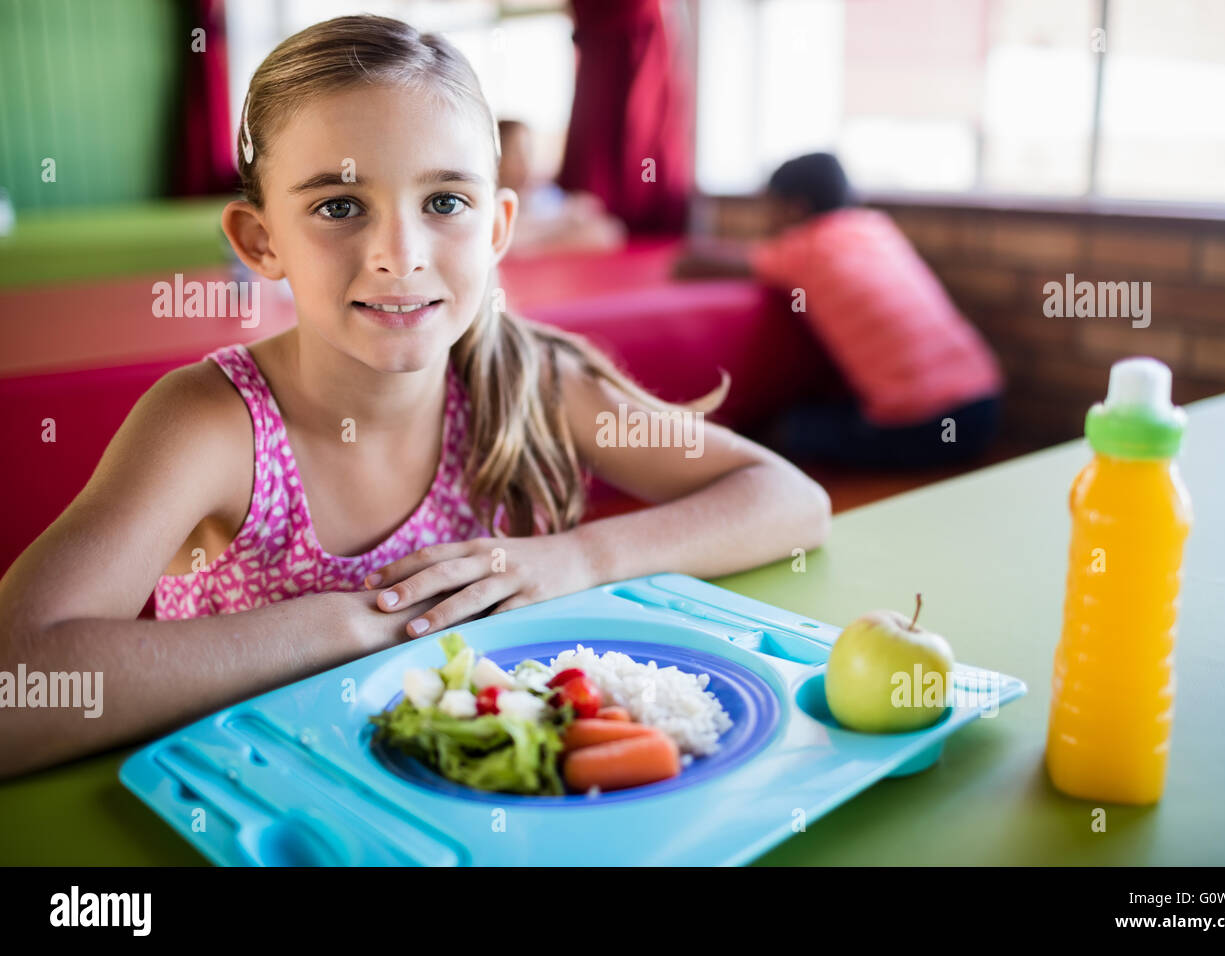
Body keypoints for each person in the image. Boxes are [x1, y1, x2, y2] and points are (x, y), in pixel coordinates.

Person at [0, 15, 830, 779]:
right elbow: (17, 686)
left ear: (498, 227)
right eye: (338, 206)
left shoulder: (530, 380)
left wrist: (578, 559)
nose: (400, 254)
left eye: (444, 203)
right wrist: (352, 625)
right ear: (261, 243)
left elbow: (790, 500)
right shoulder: (212, 423)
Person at [673, 152, 1004, 468]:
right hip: (984, 404)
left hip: (927, 424)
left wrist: (678, 259)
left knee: (786, 430)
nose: (767, 220)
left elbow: (697, 265)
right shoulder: (876, 229)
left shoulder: (806, 247)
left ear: (795, 209)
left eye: (771, 208)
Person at [497, 118, 626, 256]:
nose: (524, 162)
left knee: (606, 230)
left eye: (528, 153)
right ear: (497, 159)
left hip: (547, 240)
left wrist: (576, 209)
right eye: (516, 153)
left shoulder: (538, 193)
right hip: (531, 249)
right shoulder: (495, 199)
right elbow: (512, 238)